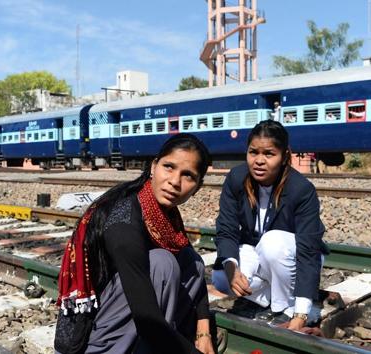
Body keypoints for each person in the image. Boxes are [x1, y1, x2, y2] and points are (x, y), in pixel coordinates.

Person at [55, 133, 214, 354]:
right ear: (153, 166)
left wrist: (203, 328)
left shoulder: (164, 215)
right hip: (90, 336)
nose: (175, 181)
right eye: (169, 167)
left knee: (191, 259)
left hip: (131, 317)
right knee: (162, 264)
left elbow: (192, 268)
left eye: (188, 176)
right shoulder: (124, 219)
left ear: (197, 186)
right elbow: (147, 320)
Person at [211, 120, 328, 331]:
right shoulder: (237, 179)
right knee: (220, 277)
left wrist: (300, 316)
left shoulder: (301, 189)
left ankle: (287, 308)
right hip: (260, 252)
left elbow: (308, 250)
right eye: (253, 152)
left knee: (272, 242)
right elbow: (226, 228)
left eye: (269, 154)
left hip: (295, 253)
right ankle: (270, 299)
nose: (259, 161)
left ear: (284, 156)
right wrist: (231, 266)